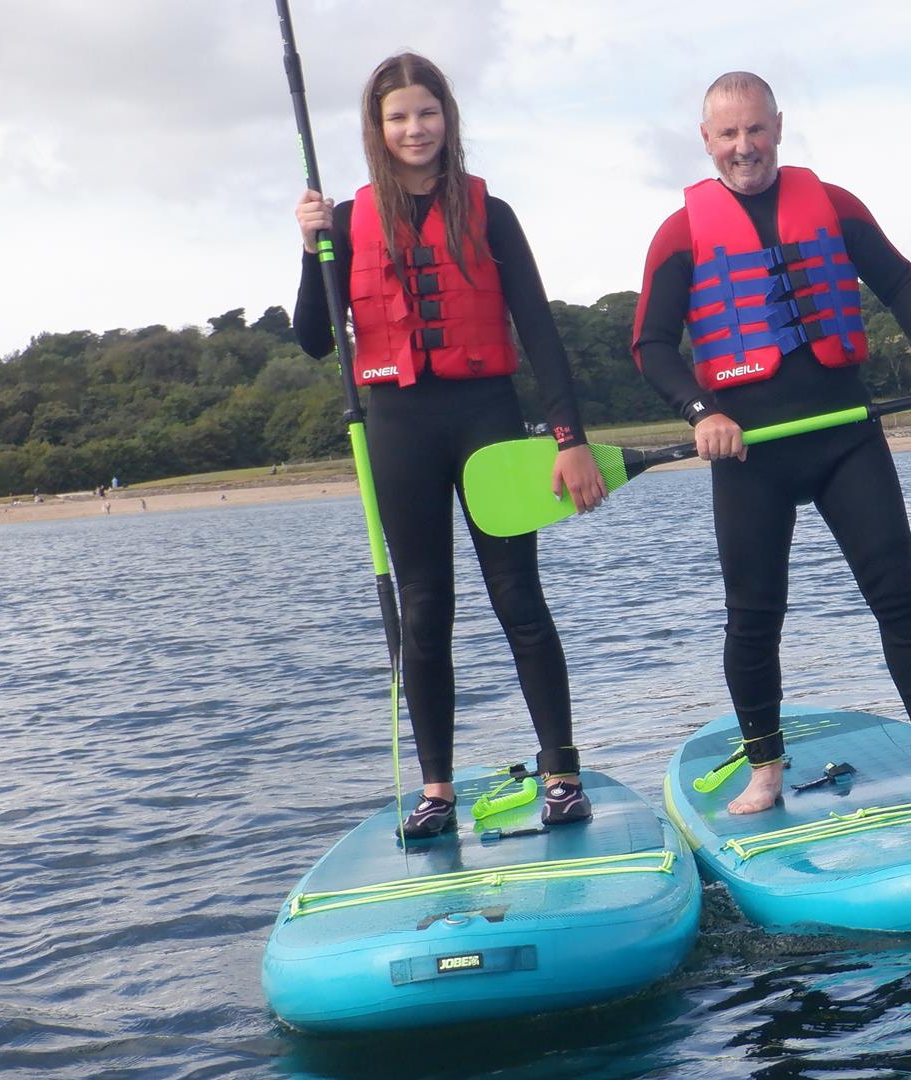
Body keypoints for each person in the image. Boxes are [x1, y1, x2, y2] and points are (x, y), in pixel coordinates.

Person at [632, 72, 911, 814]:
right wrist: (700, 411)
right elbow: (653, 345)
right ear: (706, 141)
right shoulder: (682, 230)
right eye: (727, 134)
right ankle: (765, 768)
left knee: (896, 589)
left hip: (843, 437)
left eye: (755, 129)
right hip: (748, 453)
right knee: (754, 615)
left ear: (779, 127)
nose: (743, 146)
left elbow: (902, 283)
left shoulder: (833, 204)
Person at [292, 53, 606, 837]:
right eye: (398, 116)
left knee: (519, 602)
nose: (414, 129)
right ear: (378, 128)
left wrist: (569, 438)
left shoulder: (488, 213)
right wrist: (309, 248)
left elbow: (538, 330)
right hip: (398, 429)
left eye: (426, 113)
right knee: (425, 612)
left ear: (447, 118)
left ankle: (560, 775)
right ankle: (436, 790)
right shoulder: (348, 221)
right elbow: (308, 339)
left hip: (485, 420)